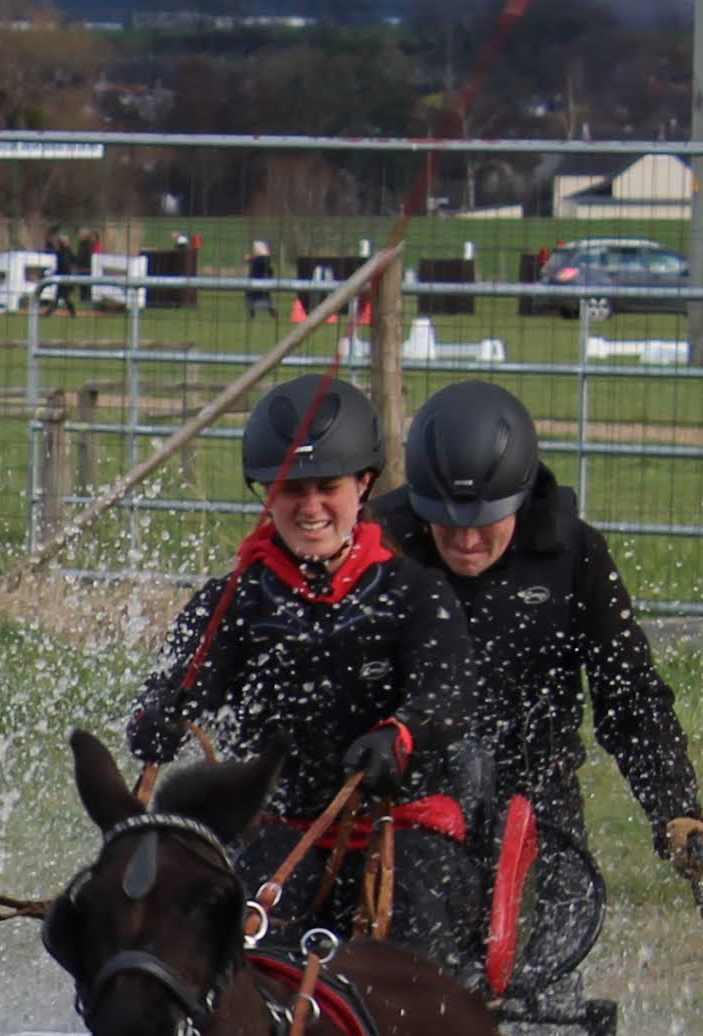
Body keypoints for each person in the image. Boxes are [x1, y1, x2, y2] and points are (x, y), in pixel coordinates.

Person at [371, 380, 703, 1006]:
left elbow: (629, 695)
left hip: (539, 802)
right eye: (446, 524)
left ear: (522, 497)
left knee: (542, 987)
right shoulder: (380, 544)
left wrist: (675, 805)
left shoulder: (576, 554)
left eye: (483, 523)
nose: (466, 541)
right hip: (413, 805)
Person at [126, 373, 486, 971]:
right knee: (244, 947)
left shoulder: (415, 592)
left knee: (413, 929)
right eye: (291, 489)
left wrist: (400, 735)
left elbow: (448, 691)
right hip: (279, 827)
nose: (310, 507)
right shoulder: (233, 600)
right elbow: (178, 686)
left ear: (363, 485)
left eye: (328, 488)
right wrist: (157, 716)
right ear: (266, 493)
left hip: (399, 827)